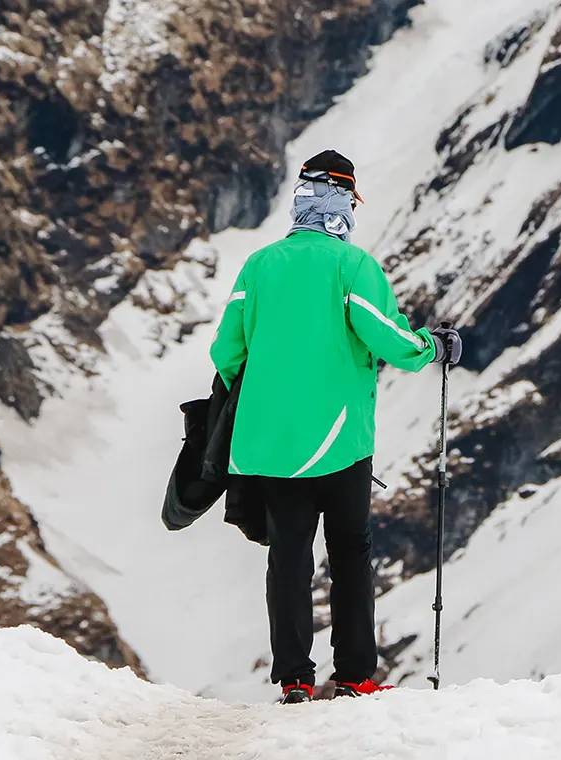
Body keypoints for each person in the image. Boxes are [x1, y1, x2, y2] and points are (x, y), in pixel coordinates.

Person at [209, 150, 463, 704]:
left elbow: (226, 351)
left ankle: (295, 679)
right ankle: (353, 676)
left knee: (288, 556)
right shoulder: (352, 267)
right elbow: (387, 339)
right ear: (344, 202)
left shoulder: (259, 266)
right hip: (341, 441)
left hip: (270, 444)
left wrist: (266, 389)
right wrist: (433, 346)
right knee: (349, 552)